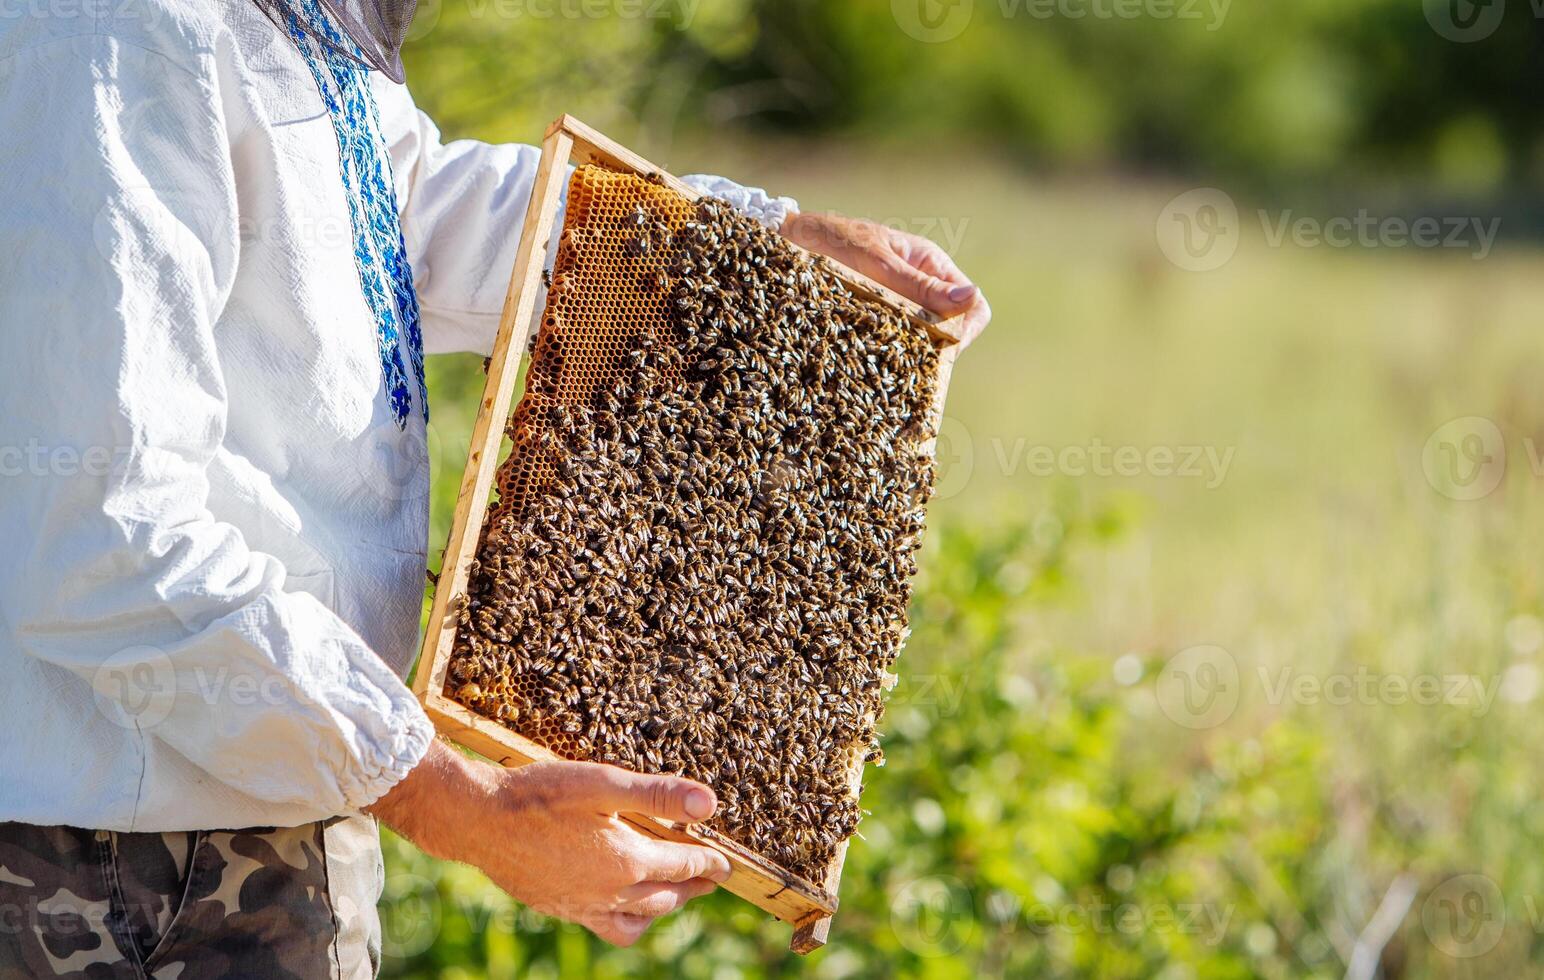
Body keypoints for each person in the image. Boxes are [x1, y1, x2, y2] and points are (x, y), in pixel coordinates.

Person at [0, 0, 991, 974]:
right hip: (100, 870)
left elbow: (393, 209)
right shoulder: (111, 30)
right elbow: (102, 532)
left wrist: (749, 248)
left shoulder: (277, 19)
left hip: (288, 812)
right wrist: (456, 801)